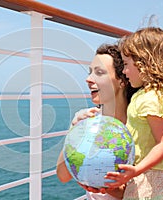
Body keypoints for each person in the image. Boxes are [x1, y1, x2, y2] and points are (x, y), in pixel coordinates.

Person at [104, 27, 163, 200]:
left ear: (144, 64)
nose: (123, 71)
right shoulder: (146, 94)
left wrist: (136, 171)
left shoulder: (151, 99)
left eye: (126, 64)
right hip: (148, 173)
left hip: (148, 175)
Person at [56, 43, 138, 200]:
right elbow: (63, 175)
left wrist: (106, 188)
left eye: (99, 73)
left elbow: (143, 192)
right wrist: (73, 131)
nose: (88, 79)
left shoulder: (139, 124)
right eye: (90, 73)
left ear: (122, 80)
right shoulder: (85, 120)